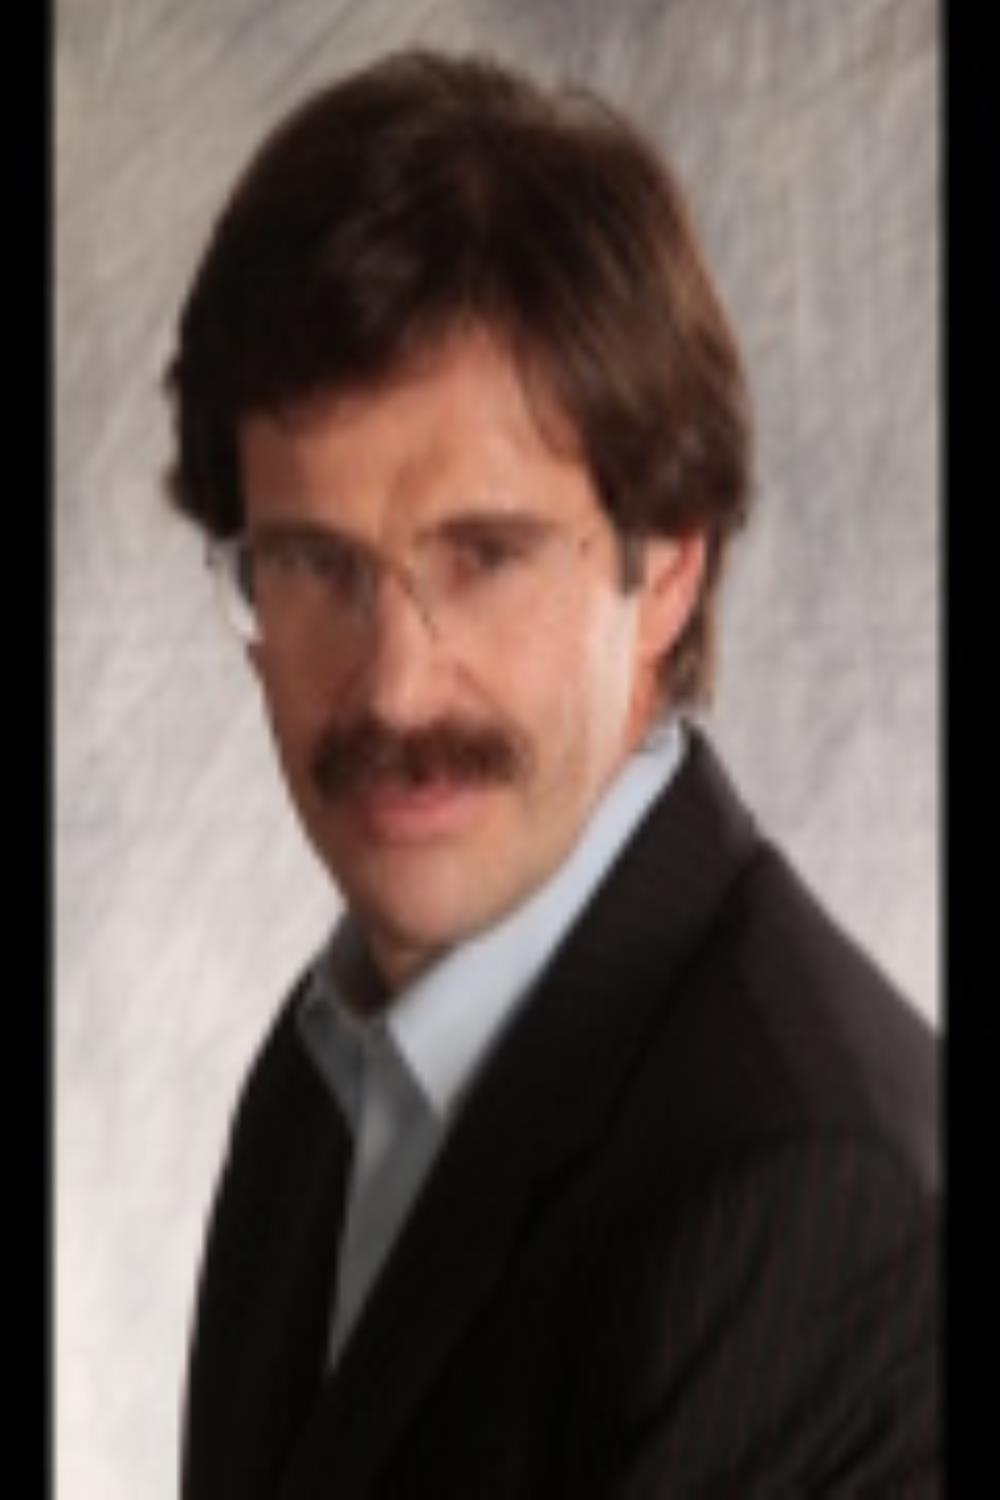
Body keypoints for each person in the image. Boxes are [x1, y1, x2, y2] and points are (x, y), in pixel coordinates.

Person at [163, 48, 939, 1498]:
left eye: (486, 555)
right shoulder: (321, 1075)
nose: (395, 688)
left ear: (668, 567)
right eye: (316, 563)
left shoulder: (816, 1203)